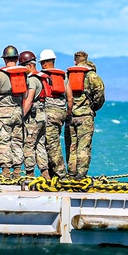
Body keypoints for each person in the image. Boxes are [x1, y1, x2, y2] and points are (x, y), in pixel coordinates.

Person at [65, 51, 106, 178]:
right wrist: (93, 107)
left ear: (75, 61)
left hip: (70, 115)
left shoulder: (67, 75)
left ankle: (71, 173)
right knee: (83, 147)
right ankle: (80, 176)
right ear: (86, 59)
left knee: (71, 146)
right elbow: (100, 94)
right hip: (85, 116)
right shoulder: (92, 76)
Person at [0, 45, 28, 176]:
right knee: (17, 141)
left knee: (1, 140)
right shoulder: (23, 75)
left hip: (3, 112)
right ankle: (17, 170)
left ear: (5, 59)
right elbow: (26, 94)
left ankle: (6, 171)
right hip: (18, 111)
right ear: (17, 59)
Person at [39, 49, 72, 177]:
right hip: (61, 113)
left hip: (48, 113)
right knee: (53, 140)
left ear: (45, 63)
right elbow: (70, 98)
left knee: (51, 144)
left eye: (42, 63)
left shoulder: (43, 77)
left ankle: (61, 174)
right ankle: (53, 174)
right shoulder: (63, 76)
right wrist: (67, 113)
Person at [19, 50, 49, 177]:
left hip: (34, 116)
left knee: (29, 145)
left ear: (29, 65)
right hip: (43, 115)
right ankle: (45, 173)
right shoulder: (42, 78)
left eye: (22, 66)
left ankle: (29, 174)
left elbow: (30, 98)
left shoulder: (31, 79)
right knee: (40, 144)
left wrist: (22, 116)